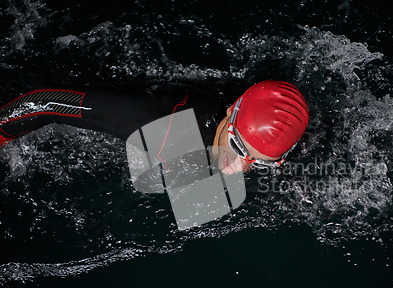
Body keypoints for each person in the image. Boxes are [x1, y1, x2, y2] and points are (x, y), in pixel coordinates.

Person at [0, 80, 310, 174]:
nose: (237, 169)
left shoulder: (282, 142)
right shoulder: (161, 127)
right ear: (231, 112)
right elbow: (45, 102)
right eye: (238, 147)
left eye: (262, 162)